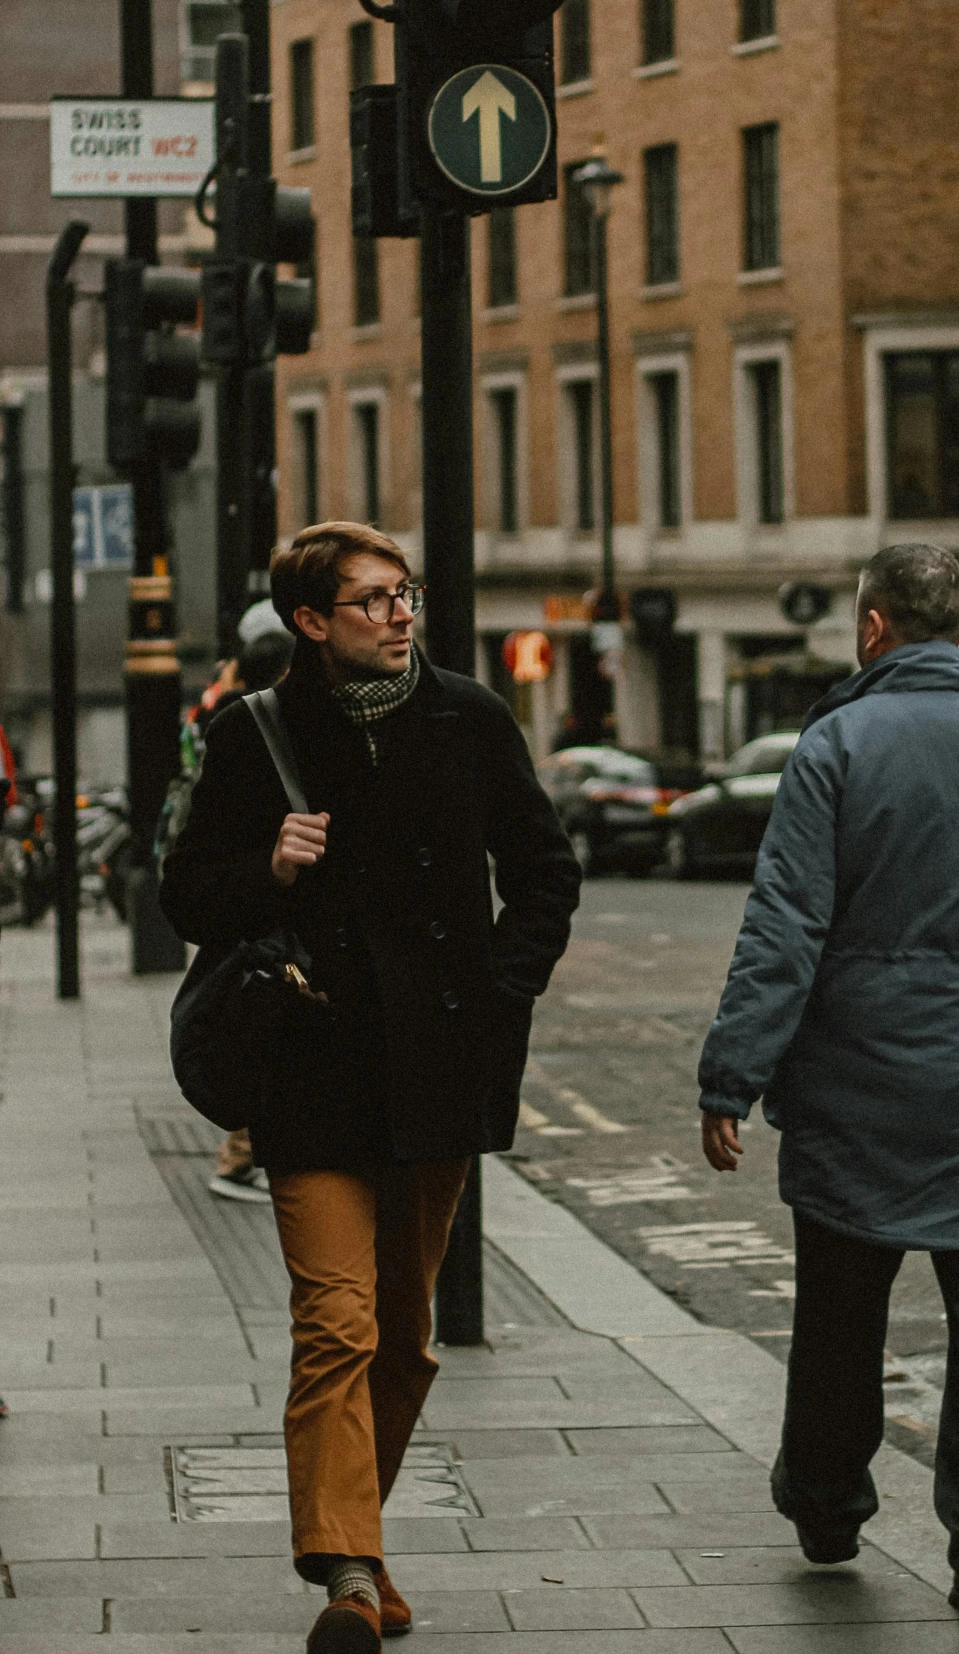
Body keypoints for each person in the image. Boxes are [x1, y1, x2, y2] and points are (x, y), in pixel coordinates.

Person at [161, 521, 580, 1654]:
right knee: (334, 1326)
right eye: (375, 600)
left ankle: (364, 1546)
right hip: (311, 1072)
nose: (402, 616)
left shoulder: (470, 717)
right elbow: (185, 894)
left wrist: (500, 995)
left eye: (408, 595)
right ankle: (345, 1570)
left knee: (404, 1337)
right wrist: (268, 867)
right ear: (312, 621)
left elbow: (544, 871)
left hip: (439, 1069)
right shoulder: (253, 732)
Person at [697, 543, 959, 1630]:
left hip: (853, 1091)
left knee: (840, 1311)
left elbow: (783, 928)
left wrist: (733, 1073)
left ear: (872, 626)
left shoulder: (833, 747)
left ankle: (828, 1506)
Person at [207, 614, 300, 1207]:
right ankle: (242, 1158)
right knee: (259, 1028)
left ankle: (246, 1154)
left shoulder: (220, 710)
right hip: (260, 916)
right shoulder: (244, 729)